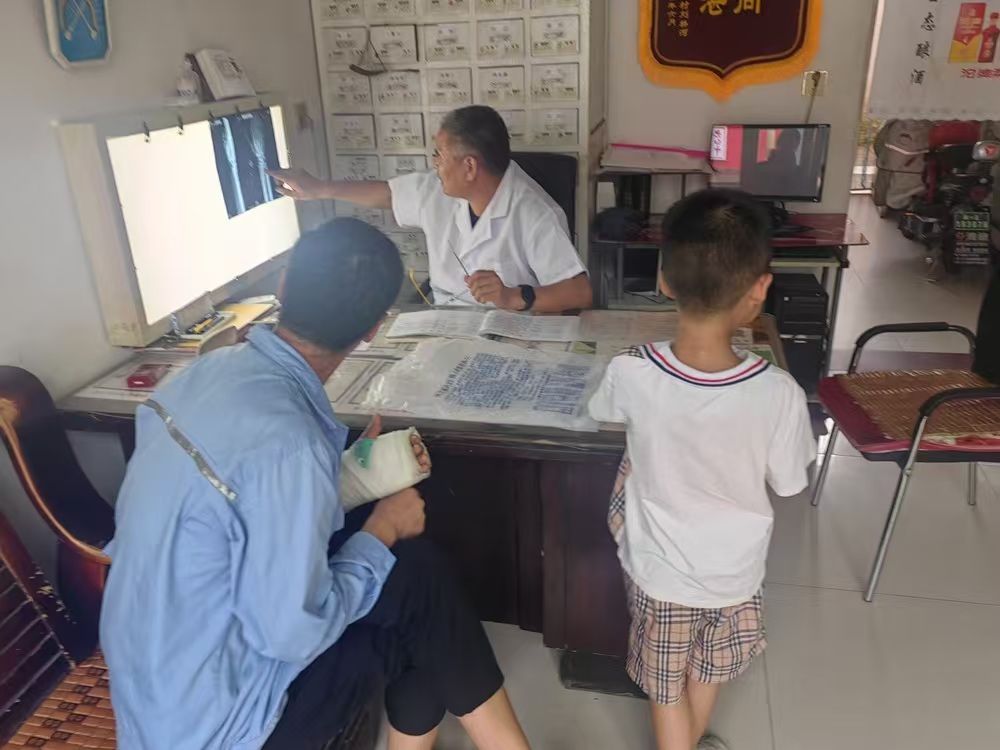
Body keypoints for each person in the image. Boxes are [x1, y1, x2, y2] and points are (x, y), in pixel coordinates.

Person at [100, 218, 532, 750]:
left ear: (283, 287)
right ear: (375, 328)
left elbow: (245, 510)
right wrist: (383, 528)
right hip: (224, 728)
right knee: (422, 610)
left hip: (153, 686)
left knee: (419, 580)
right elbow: (289, 633)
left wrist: (350, 473)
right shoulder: (292, 446)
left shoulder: (197, 376)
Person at [587, 190, 816, 750]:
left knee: (665, 688)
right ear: (759, 290)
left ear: (664, 280)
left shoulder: (632, 371)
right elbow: (790, 483)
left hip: (659, 569)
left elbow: (602, 412)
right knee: (708, 669)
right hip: (734, 572)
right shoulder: (780, 393)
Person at [268, 105, 592, 313]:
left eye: (439, 155)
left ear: (469, 167)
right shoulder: (439, 191)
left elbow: (579, 293)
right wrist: (320, 189)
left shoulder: (535, 212)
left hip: (510, 330)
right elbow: (387, 195)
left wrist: (511, 297)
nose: (434, 164)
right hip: (445, 325)